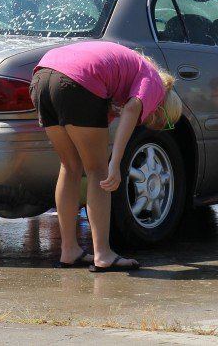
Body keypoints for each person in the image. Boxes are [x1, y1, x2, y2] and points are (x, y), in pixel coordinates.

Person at [30, 41, 183, 271]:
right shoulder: (155, 84)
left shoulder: (126, 71)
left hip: (42, 77)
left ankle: (69, 250)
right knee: (99, 171)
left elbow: (104, 116)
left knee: (70, 166)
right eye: (164, 122)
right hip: (76, 81)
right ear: (162, 109)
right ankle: (103, 254)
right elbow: (132, 110)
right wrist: (115, 163)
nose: (155, 125)